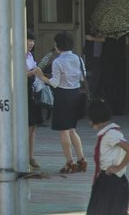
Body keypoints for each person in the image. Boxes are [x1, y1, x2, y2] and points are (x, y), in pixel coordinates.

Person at [34, 31, 88, 174]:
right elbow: (83, 78)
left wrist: (41, 76)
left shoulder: (58, 62)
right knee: (72, 129)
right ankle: (82, 160)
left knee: (63, 130)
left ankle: (70, 163)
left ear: (57, 45)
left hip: (63, 96)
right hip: (76, 94)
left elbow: (55, 83)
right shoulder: (78, 58)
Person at [25, 31, 44, 168]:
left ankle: (31, 156)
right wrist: (32, 72)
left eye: (32, 40)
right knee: (26, 126)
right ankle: (24, 156)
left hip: (32, 91)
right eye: (28, 40)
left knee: (33, 126)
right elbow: (17, 74)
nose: (31, 43)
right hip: (23, 92)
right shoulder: (18, 56)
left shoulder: (31, 55)